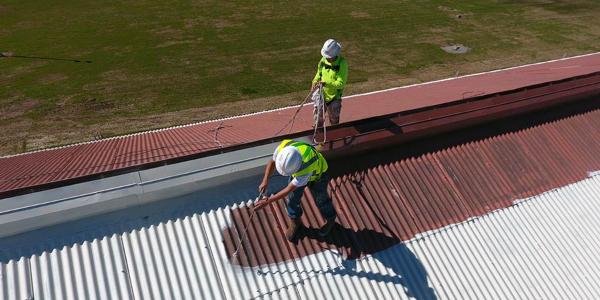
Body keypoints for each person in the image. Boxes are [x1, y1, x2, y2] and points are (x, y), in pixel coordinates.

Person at [255, 139, 336, 241]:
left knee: (321, 200)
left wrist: (268, 201)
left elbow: (289, 189)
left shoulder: (306, 167)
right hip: (300, 173)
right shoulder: (284, 149)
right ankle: (295, 221)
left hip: (318, 176)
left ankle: (330, 219)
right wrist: (265, 180)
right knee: (293, 200)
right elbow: (272, 161)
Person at [311, 39, 348, 127]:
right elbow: (319, 73)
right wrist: (314, 81)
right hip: (321, 93)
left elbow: (341, 84)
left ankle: (334, 133)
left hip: (334, 96)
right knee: (318, 115)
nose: (327, 58)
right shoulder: (323, 60)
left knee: (334, 119)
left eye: (329, 56)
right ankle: (318, 132)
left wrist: (326, 83)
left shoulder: (342, 64)